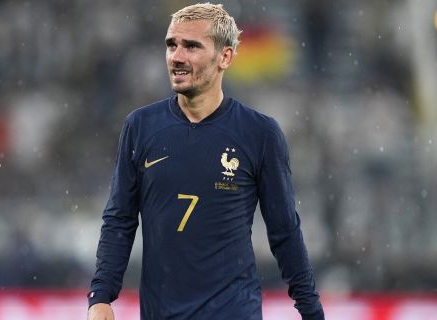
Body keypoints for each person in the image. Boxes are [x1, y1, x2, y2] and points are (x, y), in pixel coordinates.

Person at [87, 3, 324, 320]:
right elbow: (120, 219)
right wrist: (101, 296)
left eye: (192, 46)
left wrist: (311, 311)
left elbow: (284, 231)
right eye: (172, 44)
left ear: (225, 57)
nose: (177, 56)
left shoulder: (258, 133)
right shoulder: (141, 127)